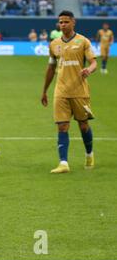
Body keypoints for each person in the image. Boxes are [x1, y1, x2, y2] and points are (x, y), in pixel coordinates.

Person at [41, 10, 97, 174]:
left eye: (66, 21)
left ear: (73, 22)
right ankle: (63, 163)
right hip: (61, 91)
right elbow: (51, 67)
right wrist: (44, 91)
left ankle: (89, 153)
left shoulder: (83, 41)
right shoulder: (54, 44)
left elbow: (93, 62)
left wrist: (89, 70)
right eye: (60, 22)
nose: (63, 24)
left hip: (80, 91)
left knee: (83, 125)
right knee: (62, 126)